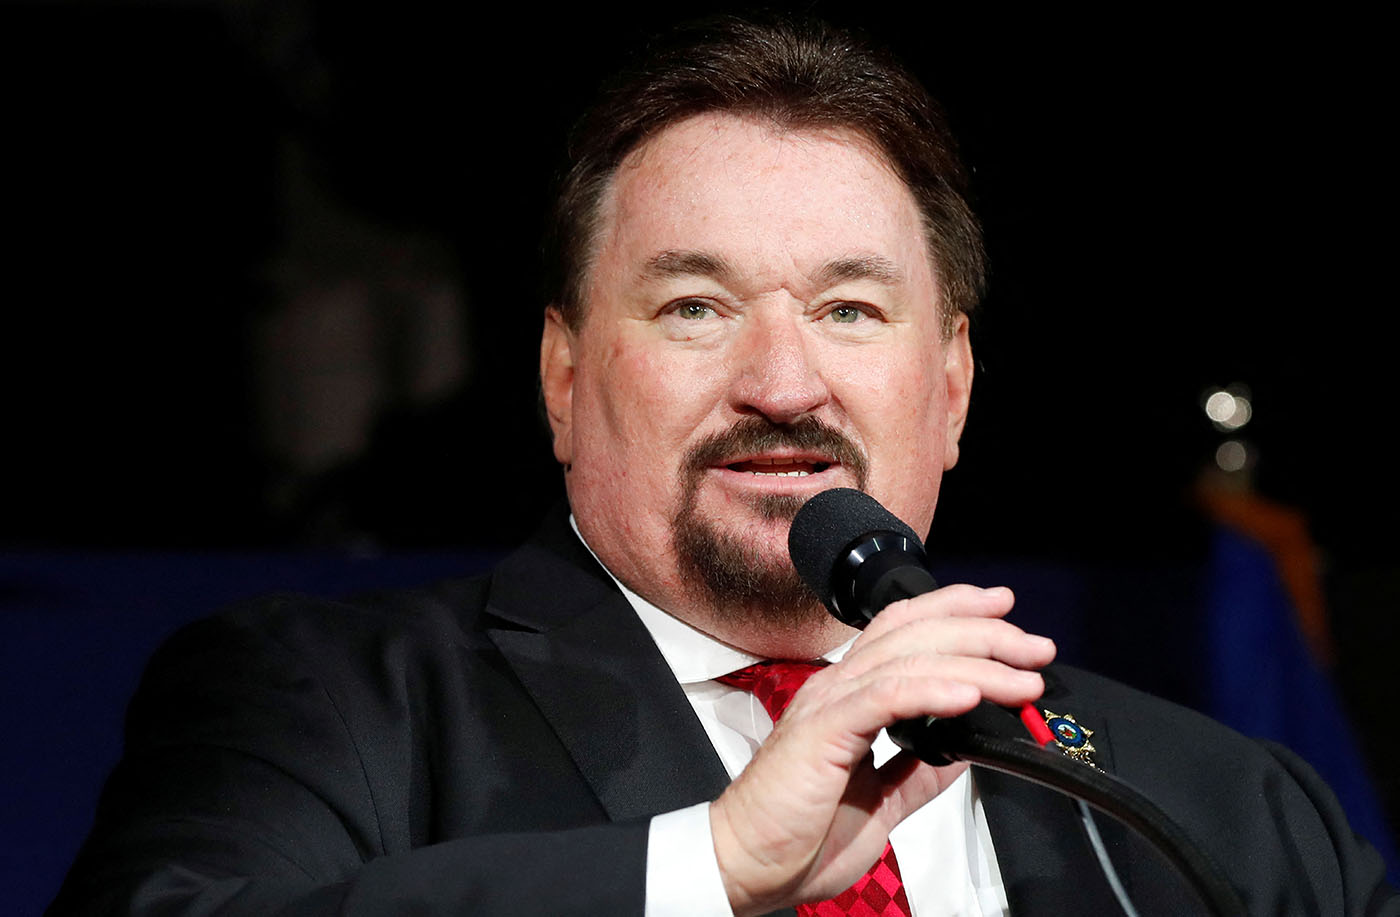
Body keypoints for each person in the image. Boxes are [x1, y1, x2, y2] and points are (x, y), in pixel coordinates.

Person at [51, 14, 1397, 916]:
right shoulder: (328, 707)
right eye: (694, 305)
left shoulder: (1222, 806)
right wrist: (714, 863)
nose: (782, 379)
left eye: (851, 308)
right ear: (564, 378)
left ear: (952, 388)